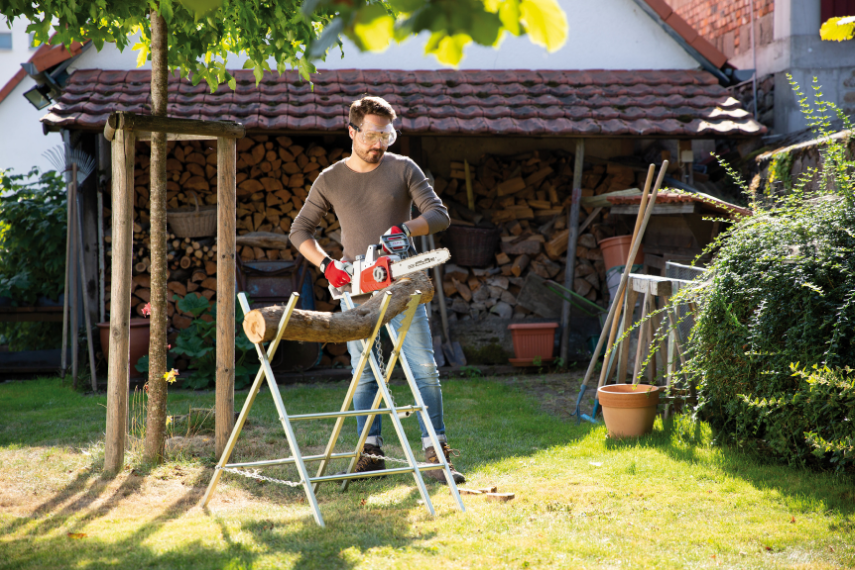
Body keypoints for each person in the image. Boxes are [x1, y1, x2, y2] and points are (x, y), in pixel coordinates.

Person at [290, 96, 464, 484]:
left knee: (423, 369)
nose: (379, 144)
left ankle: (437, 453)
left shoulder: (404, 168)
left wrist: (405, 229)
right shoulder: (331, 178)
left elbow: (438, 215)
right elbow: (299, 231)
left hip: (403, 284)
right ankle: (370, 454)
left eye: (386, 135)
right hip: (356, 286)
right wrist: (326, 264)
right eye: (371, 135)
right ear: (351, 131)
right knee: (365, 373)